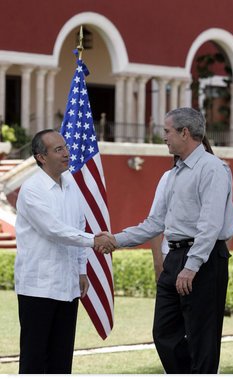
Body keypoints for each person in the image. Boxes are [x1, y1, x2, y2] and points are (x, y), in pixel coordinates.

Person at [99, 108, 233, 374]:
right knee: (164, 334)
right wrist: (115, 239)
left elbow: (210, 225)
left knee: (202, 339)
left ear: (185, 133)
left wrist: (192, 265)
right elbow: (153, 224)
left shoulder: (213, 169)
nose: (163, 137)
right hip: (174, 258)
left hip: (204, 260)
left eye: (167, 131)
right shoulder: (170, 176)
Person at [14, 129, 115, 374]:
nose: (67, 153)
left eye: (66, 147)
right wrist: (95, 241)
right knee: (35, 358)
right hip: (39, 287)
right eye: (58, 149)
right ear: (41, 157)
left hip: (68, 285)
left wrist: (81, 270)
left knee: (61, 357)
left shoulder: (70, 183)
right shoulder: (32, 189)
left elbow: (78, 225)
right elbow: (53, 230)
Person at [150, 135, 214, 282]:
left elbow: (224, 225)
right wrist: (158, 264)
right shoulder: (168, 177)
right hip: (172, 255)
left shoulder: (215, 175)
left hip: (207, 258)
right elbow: (155, 223)